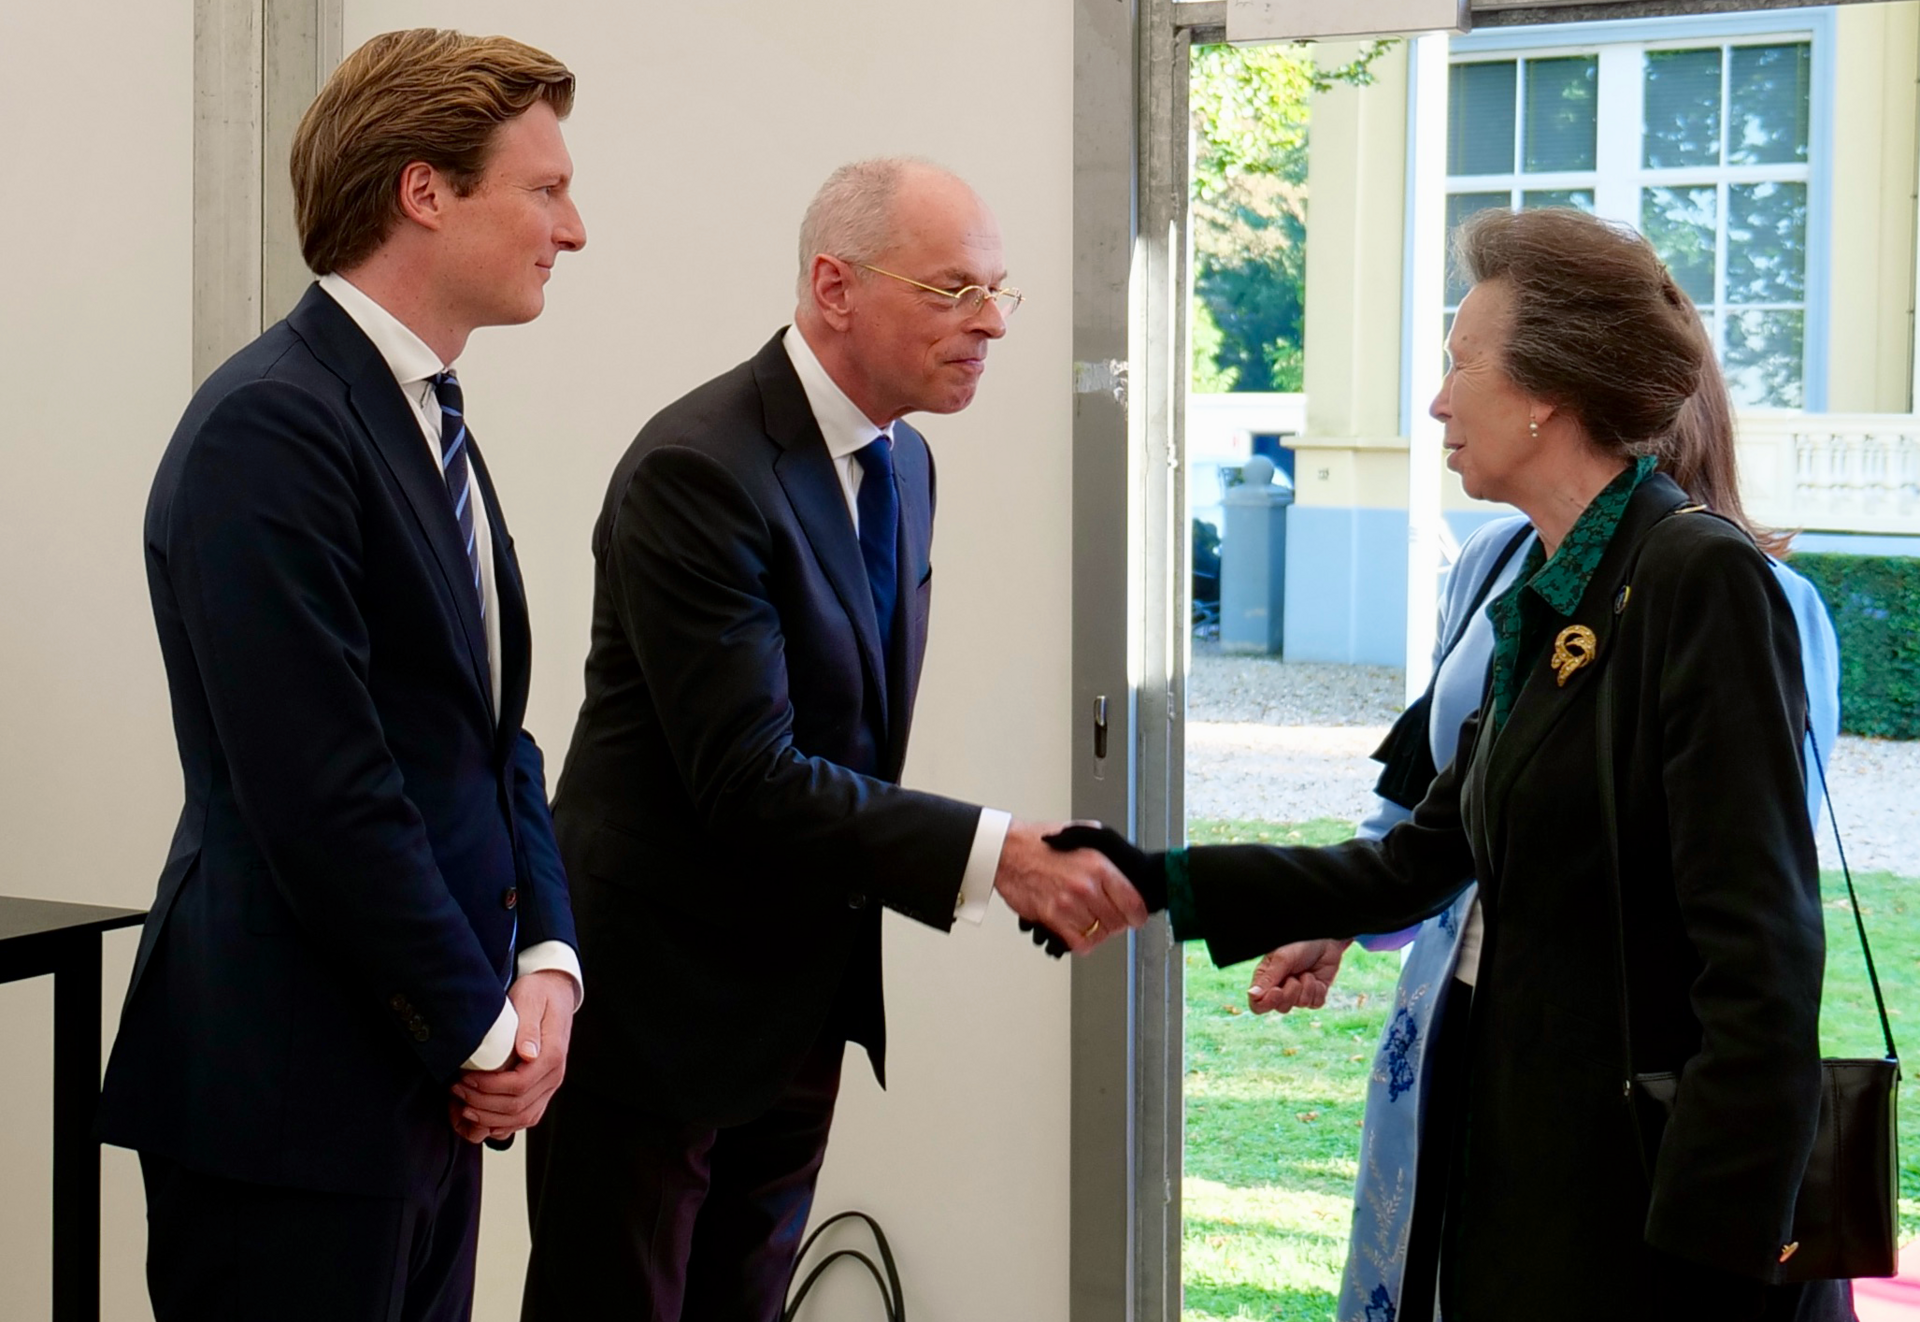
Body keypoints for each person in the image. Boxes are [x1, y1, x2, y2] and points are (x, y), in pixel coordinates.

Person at [1058, 207, 1844, 1321]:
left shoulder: (1699, 580)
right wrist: (1150, 879)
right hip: (1525, 1149)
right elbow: (1413, 862)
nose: (1435, 401)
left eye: (1459, 363)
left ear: (1545, 393)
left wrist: (1710, 1256)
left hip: (1652, 1206)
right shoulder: (1550, 585)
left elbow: (1764, 963)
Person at [520, 157, 1144, 1322]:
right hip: (658, 1008)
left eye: (1000, 290)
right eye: (954, 289)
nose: (992, 324)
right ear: (834, 285)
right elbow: (747, 777)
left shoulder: (906, 460)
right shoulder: (699, 467)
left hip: (802, 1002)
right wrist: (999, 853)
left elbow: (846, 737)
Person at [98, 29, 586, 1321]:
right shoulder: (272, 422)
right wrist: (482, 1031)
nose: (572, 228)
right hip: (292, 1097)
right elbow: (324, 788)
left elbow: (493, 737)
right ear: (425, 190)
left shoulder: (426, 417)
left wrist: (546, 960)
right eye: (544, 189)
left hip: (423, 1078)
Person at [1246, 359, 1843, 1322]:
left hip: (1618, 1055)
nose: (1440, 400)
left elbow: (1756, 888)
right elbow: (1430, 776)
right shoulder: (1495, 561)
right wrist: (1341, 913)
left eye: (1466, 365)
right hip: (1457, 1017)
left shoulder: (1747, 590)